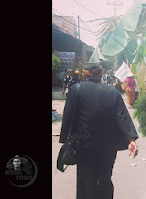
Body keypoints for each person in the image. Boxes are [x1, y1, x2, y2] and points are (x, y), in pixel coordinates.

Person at [59, 63, 139, 199]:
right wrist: (131, 140)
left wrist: (64, 140)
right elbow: (122, 116)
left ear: (84, 74)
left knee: (85, 180)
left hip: (83, 146)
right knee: (105, 178)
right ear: (100, 74)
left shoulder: (75, 90)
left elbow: (68, 117)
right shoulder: (112, 92)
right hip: (107, 147)